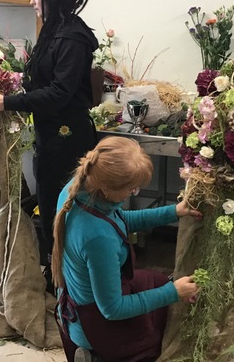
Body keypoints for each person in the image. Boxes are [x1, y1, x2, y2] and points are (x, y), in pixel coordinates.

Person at [0, 0, 99, 290]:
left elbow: (59, 93)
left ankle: (68, 285)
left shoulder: (72, 38)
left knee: (64, 211)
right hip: (50, 136)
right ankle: (57, 278)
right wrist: (8, 85)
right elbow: (42, 83)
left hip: (68, 139)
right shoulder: (54, 32)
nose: (31, 1)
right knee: (51, 206)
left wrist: (5, 102)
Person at [52, 136, 202, 362]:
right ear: (106, 189)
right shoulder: (97, 238)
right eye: (132, 189)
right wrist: (174, 293)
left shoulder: (77, 189)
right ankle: (96, 354)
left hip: (81, 302)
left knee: (157, 281)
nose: (134, 192)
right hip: (95, 325)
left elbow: (119, 221)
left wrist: (174, 212)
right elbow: (113, 309)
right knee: (159, 333)